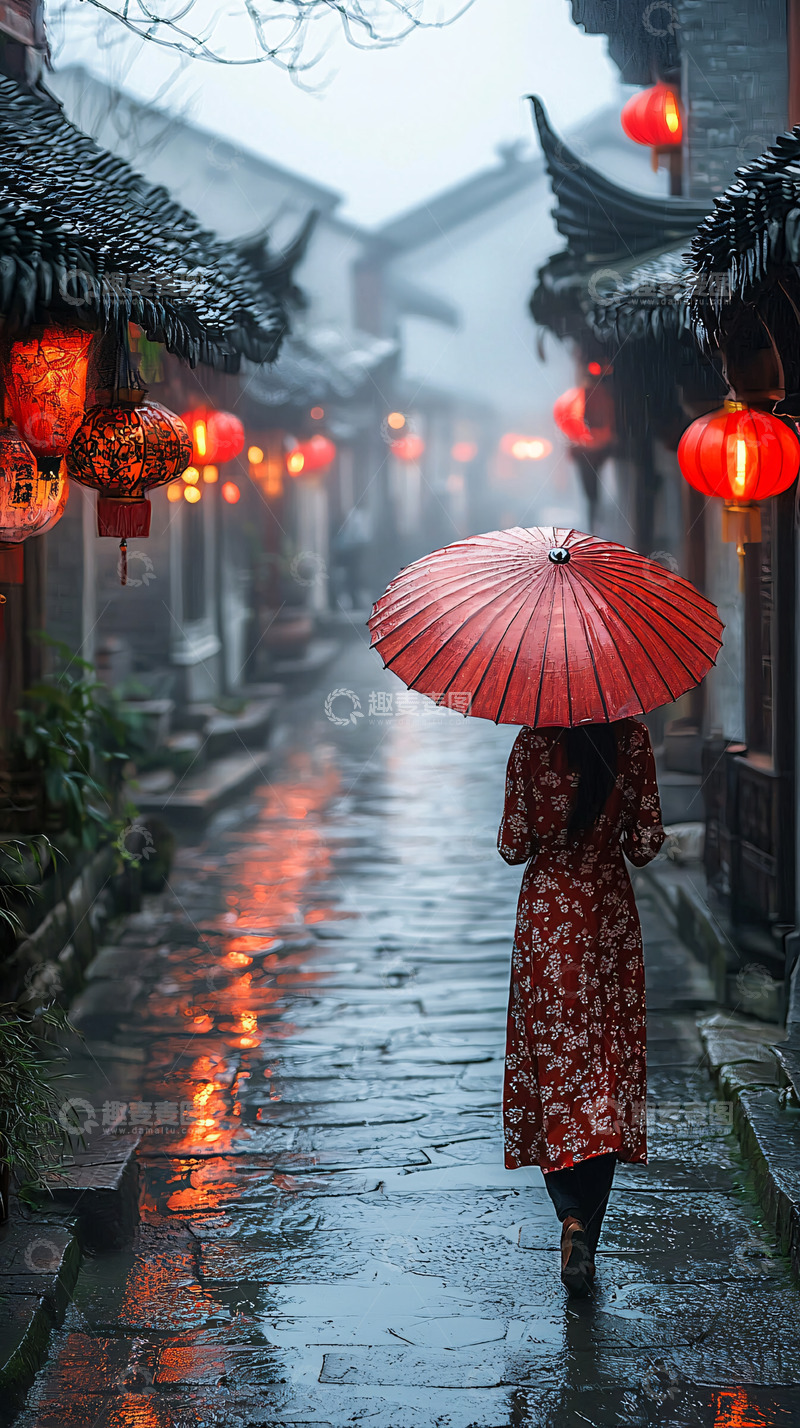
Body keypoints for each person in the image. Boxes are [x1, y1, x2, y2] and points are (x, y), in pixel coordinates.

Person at [497, 718, 665, 1296]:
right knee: (607, 1068)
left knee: (554, 1068)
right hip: (608, 915)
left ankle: (569, 1217)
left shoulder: (532, 742)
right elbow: (644, 846)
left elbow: (512, 845)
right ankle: (586, 1228)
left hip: (548, 918)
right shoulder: (634, 739)